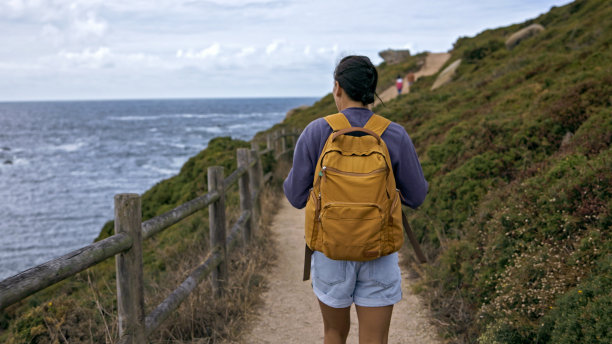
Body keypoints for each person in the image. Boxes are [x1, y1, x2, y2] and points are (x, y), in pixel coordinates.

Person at [283, 55, 428, 344]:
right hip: (379, 251)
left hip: (330, 252)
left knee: (334, 333)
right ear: (372, 91)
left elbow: (295, 197)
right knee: (374, 339)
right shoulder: (394, 134)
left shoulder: (316, 131)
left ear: (338, 87)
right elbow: (417, 196)